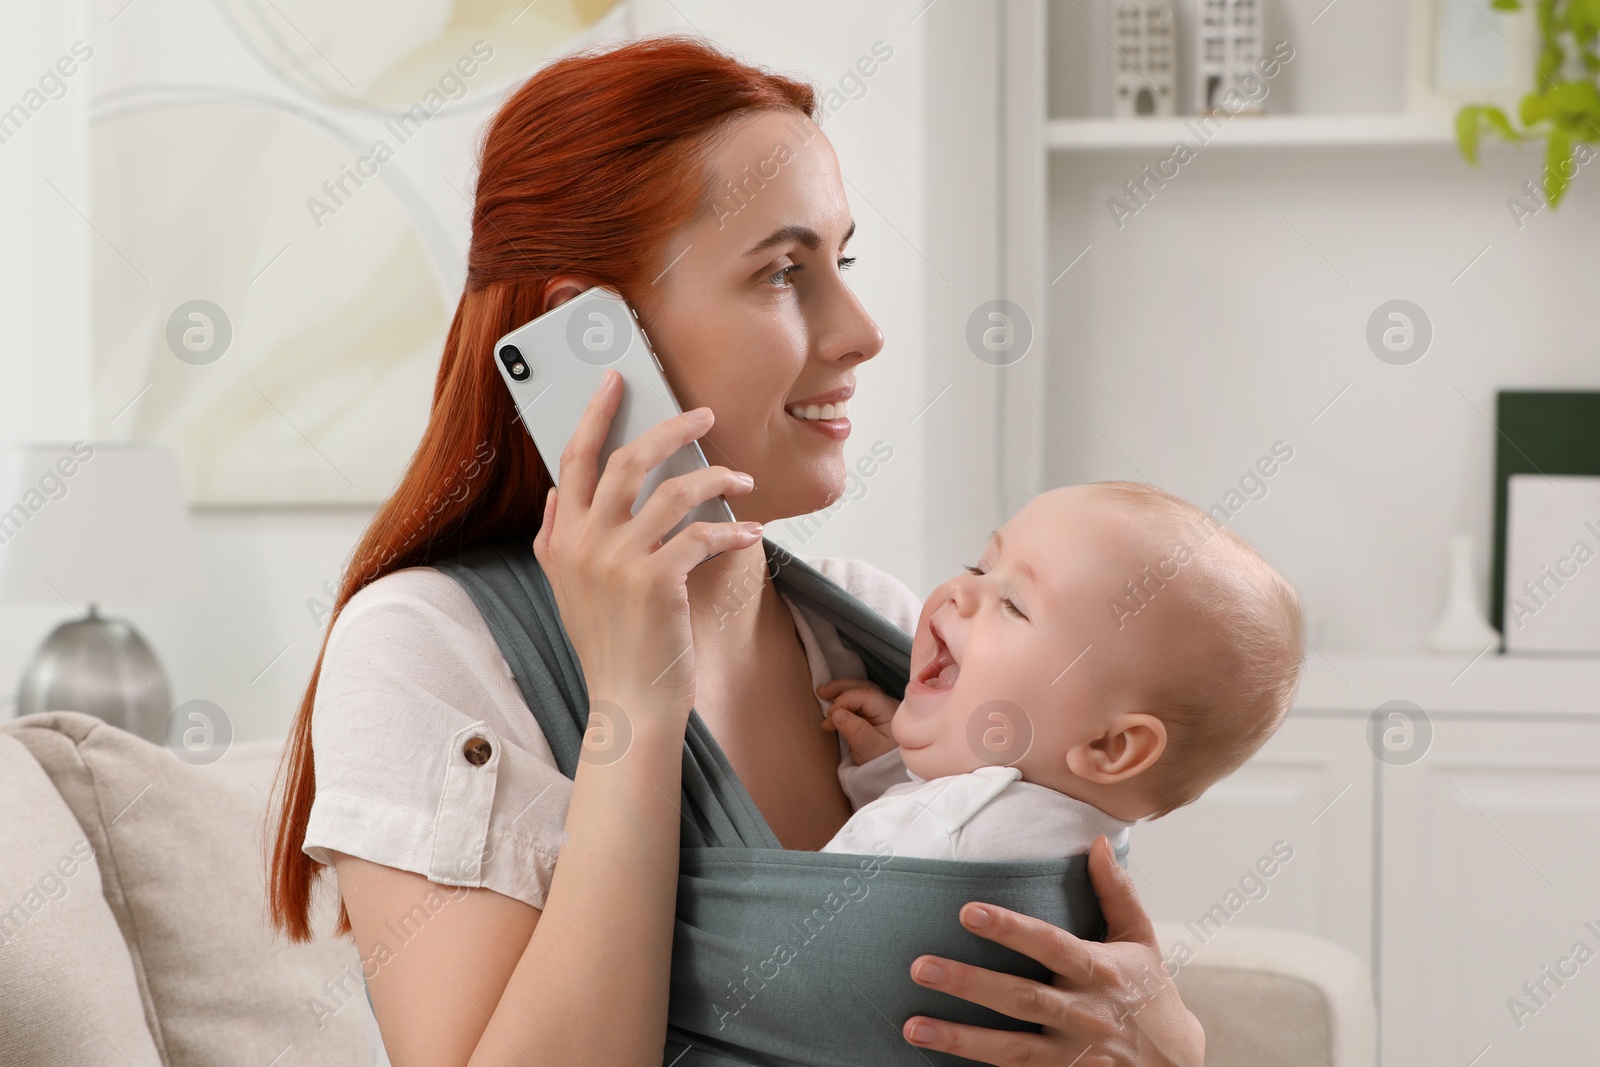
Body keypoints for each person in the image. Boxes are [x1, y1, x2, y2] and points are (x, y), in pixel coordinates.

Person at [265, 33, 1206, 1067]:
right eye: (781, 274)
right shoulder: (426, 647)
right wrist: (632, 707)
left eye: (840, 263)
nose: (860, 330)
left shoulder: (873, 630)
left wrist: (1166, 1045)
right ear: (590, 333)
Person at [818, 481, 1305, 862]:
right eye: (981, 569)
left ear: (1108, 746)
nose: (960, 593)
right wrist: (889, 769)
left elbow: (825, 916)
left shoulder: (965, 834)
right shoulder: (1068, 838)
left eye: (1013, 605)